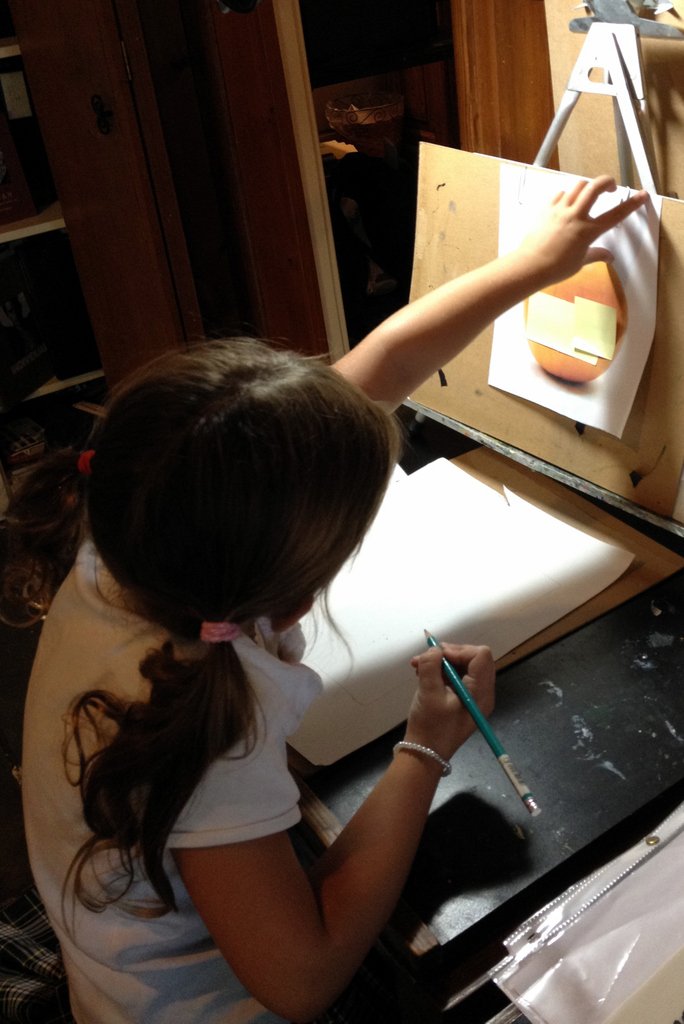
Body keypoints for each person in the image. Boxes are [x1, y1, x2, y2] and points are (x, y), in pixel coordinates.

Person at [3, 176, 647, 1024]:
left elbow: (378, 370)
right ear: (298, 593)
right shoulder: (204, 724)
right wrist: (423, 752)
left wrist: (533, 264)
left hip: (124, 963)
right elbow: (300, 980)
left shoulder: (136, 522)